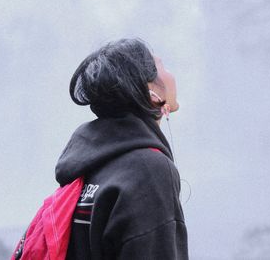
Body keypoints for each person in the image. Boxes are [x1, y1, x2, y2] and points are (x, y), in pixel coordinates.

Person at [56, 38, 189, 259]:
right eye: (162, 66)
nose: (171, 74)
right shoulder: (149, 171)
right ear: (150, 92)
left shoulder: (89, 166)